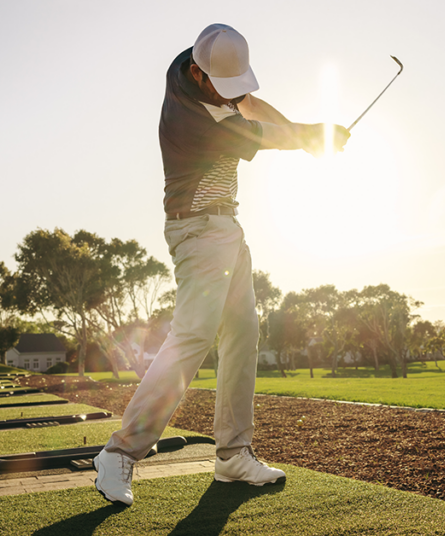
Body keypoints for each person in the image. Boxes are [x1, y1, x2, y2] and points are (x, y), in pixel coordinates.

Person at [93, 23, 349, 506]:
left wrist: (305, 134)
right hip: (197, 231)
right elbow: (257, 133)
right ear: (198, 72)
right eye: (224, 88)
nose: (233, 96)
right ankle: (120, 452)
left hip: (226, 229)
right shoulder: (195, 120)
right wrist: (311, 136)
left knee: (244, 333)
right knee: (192, 335)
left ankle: (232, 455)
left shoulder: (198, 74)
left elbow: (252, 107)